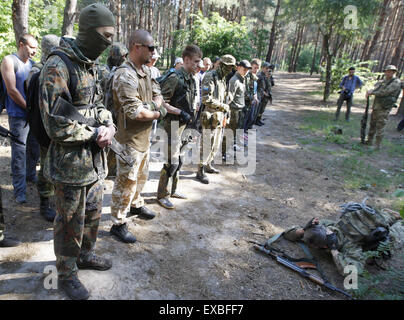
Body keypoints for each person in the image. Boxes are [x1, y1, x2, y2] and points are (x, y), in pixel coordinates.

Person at [39, 3, 117, 300]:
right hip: (69, 167)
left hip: (94, 164)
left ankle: (85, 255)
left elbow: (96, 106)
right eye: (105, 35)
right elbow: (55, 125)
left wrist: (107, 123)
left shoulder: (91, 65)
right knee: (70, 221)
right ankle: (66, 273)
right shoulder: (58, 66)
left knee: (93, 216)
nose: (109, 42)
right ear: (89, 31)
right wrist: (94, 133)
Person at [109, 30, 167, 243]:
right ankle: (118, 222)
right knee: (125, 182)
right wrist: (157, 111)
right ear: (136, 46)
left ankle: (136, 204)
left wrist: (153, 105)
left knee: (141, 177)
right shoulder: (125, 74)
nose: (154, 51)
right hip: (128, 140)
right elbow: (136, 112)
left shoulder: (147, 71)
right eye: (150, 47)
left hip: (143, 138)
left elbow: (158, 93)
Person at [282, 205, 404, 276]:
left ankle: (395, 219)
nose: (330, 230)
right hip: (373, 227)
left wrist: (334, 250)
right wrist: (303, 230)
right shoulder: (323, 229)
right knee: (387, 221)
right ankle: (391, 216)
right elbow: (287, 235)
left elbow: (352, 272)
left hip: (374, 227)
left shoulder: (350, 246)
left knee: (396, 235)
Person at [156, 45, 202, 209]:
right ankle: (162, 195)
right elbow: (161, 101)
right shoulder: (175, 77)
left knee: (180, 159)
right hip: (172, 125)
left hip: (185, 125)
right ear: (186, 60)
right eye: (196, 61)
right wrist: (179, 112)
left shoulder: (190, 77)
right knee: (171, 162)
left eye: (199, 62)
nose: (198, 65)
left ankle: (173, 189)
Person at [1, 34, 39, 204]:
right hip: (18, 115)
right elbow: (12, 90)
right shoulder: (9, 61)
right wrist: (28, 108)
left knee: (34, 148)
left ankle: (31, 176)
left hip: (31, 115)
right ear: (22, 44)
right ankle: (19, 190)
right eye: (32, 47)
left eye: (36, 48)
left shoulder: (31, 65)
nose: (35, 51)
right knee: (19, 153)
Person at [26, 34, 60, 222]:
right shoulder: (37, 71)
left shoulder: (53, 68)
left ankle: (53, 198)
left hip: (54, 126)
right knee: (46, 165)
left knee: (55, 164)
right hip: (42, 127)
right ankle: (44, 202)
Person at [196, 54, 236, 184]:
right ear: (222, 65)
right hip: (210, 116)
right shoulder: (210, 76)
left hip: (219, 117)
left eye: (231, 68)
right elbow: (205, 98)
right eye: (228, 67)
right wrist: (222, 105)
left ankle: (208, 164)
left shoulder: (223, 79)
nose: (230, 70)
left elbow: (221, 95)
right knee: (207, 144)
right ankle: (200, 170)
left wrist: (227, 97)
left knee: (216, 144)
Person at [365, 65, 402, 149]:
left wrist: (372, 93)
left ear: (394, 72)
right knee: (372, 124)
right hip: (377, 106)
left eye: (390, 71)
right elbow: (377, 87)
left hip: (384, 108)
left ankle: (377, 145)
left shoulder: (396, 82)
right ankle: (369, 141)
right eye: (387, 71)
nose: (388, 73)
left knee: (380, 126)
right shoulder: (384, 81)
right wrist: (371, 91)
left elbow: (385, 92)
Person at [222, 60, 251, 157]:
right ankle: (223, 153)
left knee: (234, 132)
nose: (246, 71)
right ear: (238, 68)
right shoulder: (234, 80)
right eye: (245, 69)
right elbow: (229, 97)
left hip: (239, 110)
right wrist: (226, 112)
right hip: (233, 110)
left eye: (247, 69)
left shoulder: (242, 80)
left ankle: (228, 150)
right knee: (229, 133)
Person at [254, 62, 272, 127]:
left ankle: (259, 120)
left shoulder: (265, 75)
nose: (267, 70)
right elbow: (257, 86)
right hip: (260, 95)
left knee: (262, 109)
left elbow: (268, 85)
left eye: (268, 68)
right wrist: (264, 93)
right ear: (263, 68)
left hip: (264, 96)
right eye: (266, 68)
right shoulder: (259, 75)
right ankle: (256, 120)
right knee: (258, 109)